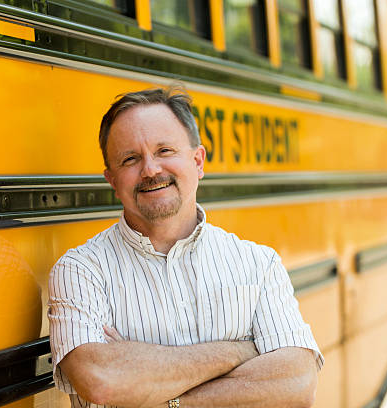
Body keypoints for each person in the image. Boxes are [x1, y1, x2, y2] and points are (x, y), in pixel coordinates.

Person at [48, 86, 324, 408]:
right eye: (130, 159)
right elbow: (102, 381)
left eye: (164, 151)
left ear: (198, 161)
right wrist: (242, 351)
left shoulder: (258, 265)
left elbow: (298, 384)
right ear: (112, 181)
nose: (150, 169)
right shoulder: (80, 271)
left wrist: (162, 396)